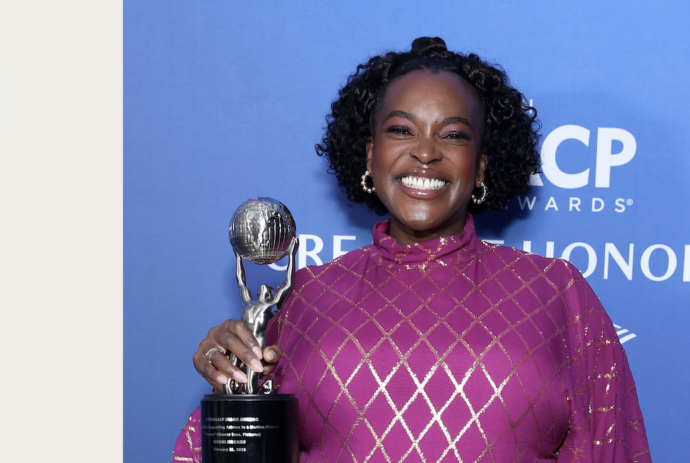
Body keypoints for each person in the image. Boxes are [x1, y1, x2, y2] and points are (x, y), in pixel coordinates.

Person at [174, 37, 651, 462]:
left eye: (453, 134)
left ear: (482, 165)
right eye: (402, 130)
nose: (425, 152)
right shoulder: (305, 295)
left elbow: (610, 448)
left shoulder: (556, 290)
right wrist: (232, 384)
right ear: (370, 154)